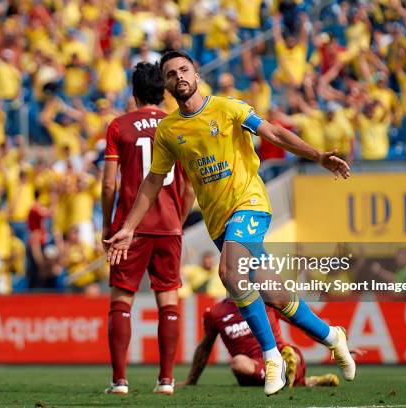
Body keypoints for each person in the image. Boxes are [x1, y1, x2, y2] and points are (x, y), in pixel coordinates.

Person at [105, 51, 355, 396]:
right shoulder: (169, 130)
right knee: (275, 294)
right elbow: (152, 182)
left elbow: (274, 133)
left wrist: (318, 156)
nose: (179, 76)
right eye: (171, 74)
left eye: (184, 70)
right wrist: (129, 226)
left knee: (229, 274)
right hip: (220, 222)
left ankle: (272, 358)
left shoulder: (228, 108)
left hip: (250, 205)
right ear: (165, 85)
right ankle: (332, 336)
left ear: (196, 74)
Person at [101, 62, 195, 395]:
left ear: (134, 92)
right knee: (168, 301)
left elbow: (109, 185)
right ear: (163, 90)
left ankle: (120, 381)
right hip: (169, 226)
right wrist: (178, 220)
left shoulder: (119, 126)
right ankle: (166, 380)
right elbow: (190, 186)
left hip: (130, 227)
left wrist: (107, 226)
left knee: (121, 301)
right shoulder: (178, 125)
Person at [179, 299, 343, 388]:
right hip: (253, 366)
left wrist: (335, 346)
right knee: (238, 363)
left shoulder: (268, 301)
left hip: (282, 355)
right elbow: (205, 347)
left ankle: (292, 375)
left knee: (290, 355)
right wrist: (191, 380)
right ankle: (301, 381)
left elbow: (304, 325)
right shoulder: (215, 313)